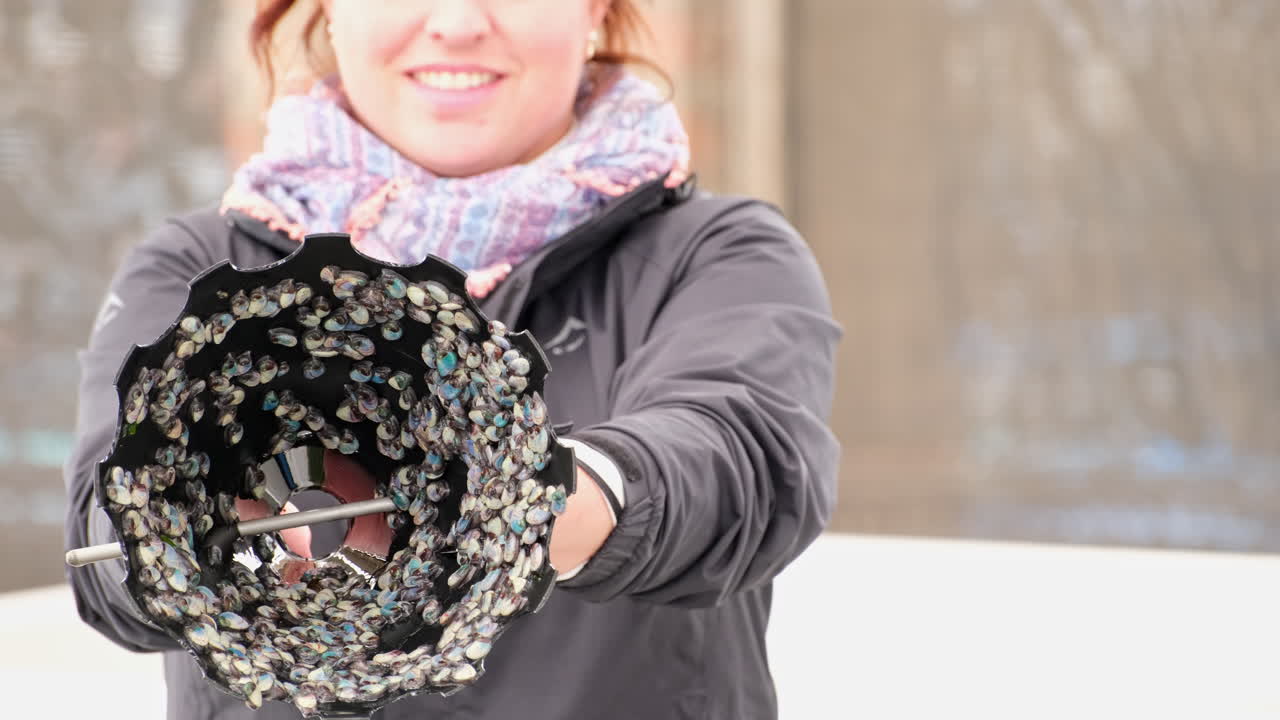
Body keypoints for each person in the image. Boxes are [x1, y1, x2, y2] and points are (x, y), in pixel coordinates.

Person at [63, 1, 841, 718]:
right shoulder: (199, 271)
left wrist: (533, 496)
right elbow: (104, 556)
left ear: (596, 9)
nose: (459, 22)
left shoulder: (717, 254)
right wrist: (195, 510)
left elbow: (738, 456)